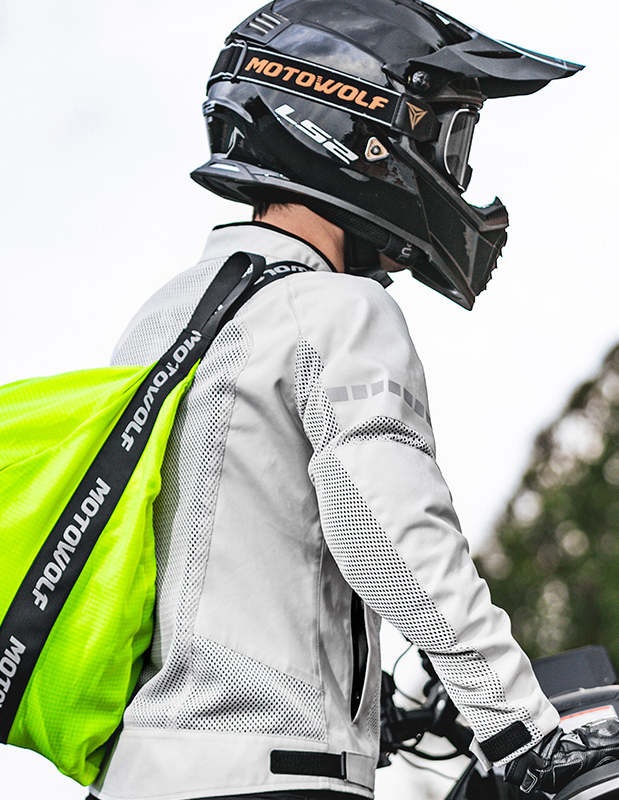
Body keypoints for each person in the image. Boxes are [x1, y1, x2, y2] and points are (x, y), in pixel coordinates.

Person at [92, 2, 617, 798]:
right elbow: (387, 526)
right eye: (445, 138)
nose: (452, 172)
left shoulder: (166, 318)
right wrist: (523, 729)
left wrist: (377, 708)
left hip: (143, 772)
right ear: (359, 125)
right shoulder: (334, 309)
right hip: (273, 775)